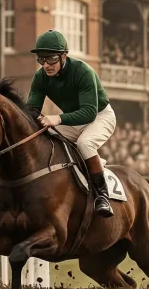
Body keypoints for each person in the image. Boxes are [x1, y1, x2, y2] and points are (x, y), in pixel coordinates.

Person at [26, 29, 117, 218]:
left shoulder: (83, 71)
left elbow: (90, 113)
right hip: (73, 118)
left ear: (63, 56)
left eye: (51, 59)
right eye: (41, 59)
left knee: (85, 143)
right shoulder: (40, 77)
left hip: (100, 116)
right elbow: (31, 111)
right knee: (45, 137)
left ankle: (103, 196)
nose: (46, 65)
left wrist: (57, 119)